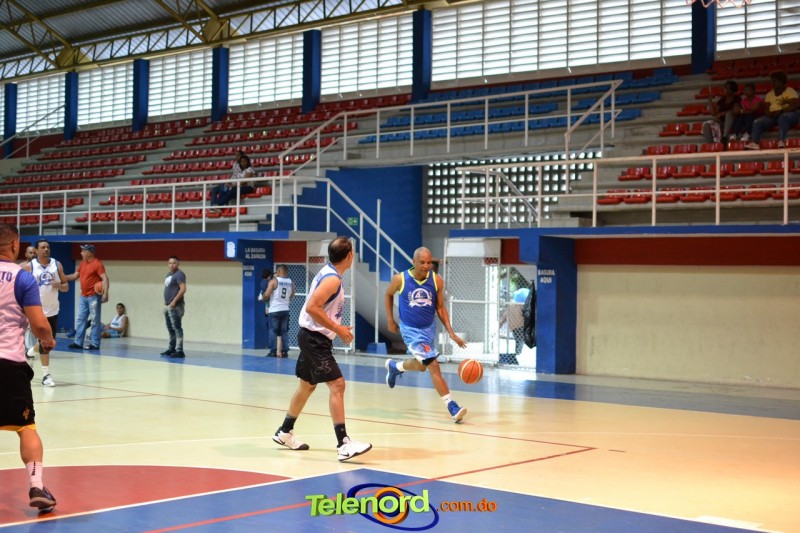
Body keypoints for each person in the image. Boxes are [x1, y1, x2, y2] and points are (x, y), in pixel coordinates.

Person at [272, 237, 372, 461]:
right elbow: (312, 307)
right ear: (350, 256)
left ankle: (285, 431)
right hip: (314, 339)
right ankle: (343, 444)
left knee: (307, 386)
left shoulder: (328, 272)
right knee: (337, 385)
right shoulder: (332, 279)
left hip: (312, 337)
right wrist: (338, 328)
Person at [0, 223, 58, 513]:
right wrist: (47, 340)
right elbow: (39, 324)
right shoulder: (22, 279)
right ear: (15, 246)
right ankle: (36, 486)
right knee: (26, 427)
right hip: (8, 364)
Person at [384, 247, 469, 423]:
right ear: (414, 262)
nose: (426, 266)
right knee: (433, 365)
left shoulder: (436, 280)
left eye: (429, 262)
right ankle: (452, 406)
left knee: (423, 365)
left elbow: (440, 308)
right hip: (411, 331)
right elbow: (388, 294)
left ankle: (395, 367)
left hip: (429, 329)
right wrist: (390, 320)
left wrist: (451, 333)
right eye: (422, 262)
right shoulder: (400, 279)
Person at [20, 239, 68, 387]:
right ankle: (46, 375)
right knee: (45, 343)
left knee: (49, 342)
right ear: (36, 250)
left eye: (48, 247)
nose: (46, 249)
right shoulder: (29, 267)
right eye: (43, 247)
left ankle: (30, 352)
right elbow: (19, 287)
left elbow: (66, 286)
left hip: (52, 310)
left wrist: (57, 285)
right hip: (35, 310)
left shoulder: (57, 265)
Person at [64, 244, 108, 350]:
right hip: (83, 296)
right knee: (80, 319)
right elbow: (75, 276)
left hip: (94, 296)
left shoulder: (97, 264)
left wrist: (105, 293)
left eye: (83, 251)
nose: (81, 253)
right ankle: (78, 343)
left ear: (89, 253)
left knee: (94, 320)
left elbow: (105, 279)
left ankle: (95, 344)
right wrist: (62, 277)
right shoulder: (83, 264)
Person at [746, 71, 800, 149]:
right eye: (772, 81)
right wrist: (771, 114)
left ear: (781, 82)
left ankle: (781, 141)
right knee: (757, 122)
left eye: (775, 81)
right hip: (773, 116)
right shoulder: (769, 94)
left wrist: (781, 111)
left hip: (789, 115)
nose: (772, 83)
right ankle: (755, 143)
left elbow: (795, 105)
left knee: (782, 117)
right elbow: (766, 109)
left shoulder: (790, 91)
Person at [263, 264, 295, 358]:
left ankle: (273, 351)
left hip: (275, 310)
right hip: (285, 309)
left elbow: (267, 295)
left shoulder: (274, 281)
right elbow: (292, 295)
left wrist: (263, 298)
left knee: (273, 331)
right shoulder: (291, 282)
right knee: (284, 331)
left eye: (277, 271)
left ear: (279, 271)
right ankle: (285, 352)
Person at [161, 256, 187, 358]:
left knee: (177, 327)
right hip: (168, 305)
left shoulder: (179, 274)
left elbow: (183, 289)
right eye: (170, 263)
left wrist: (174, 301)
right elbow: (169, 288)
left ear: (178, 264)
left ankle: (179, 350)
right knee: (170, 327)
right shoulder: (168, 275)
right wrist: (166, 300)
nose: (172, 265)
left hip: (176, 306)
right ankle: (171, 348)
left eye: (174, 263)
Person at [498, 288, 529, 364]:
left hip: (513, 327)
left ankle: (516, 353)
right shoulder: (523, 306)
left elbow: (505, 315)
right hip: (521, 325)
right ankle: (518, 353)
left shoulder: (511, 305)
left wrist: (500, 323)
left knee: (518, 339)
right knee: (521, 340)